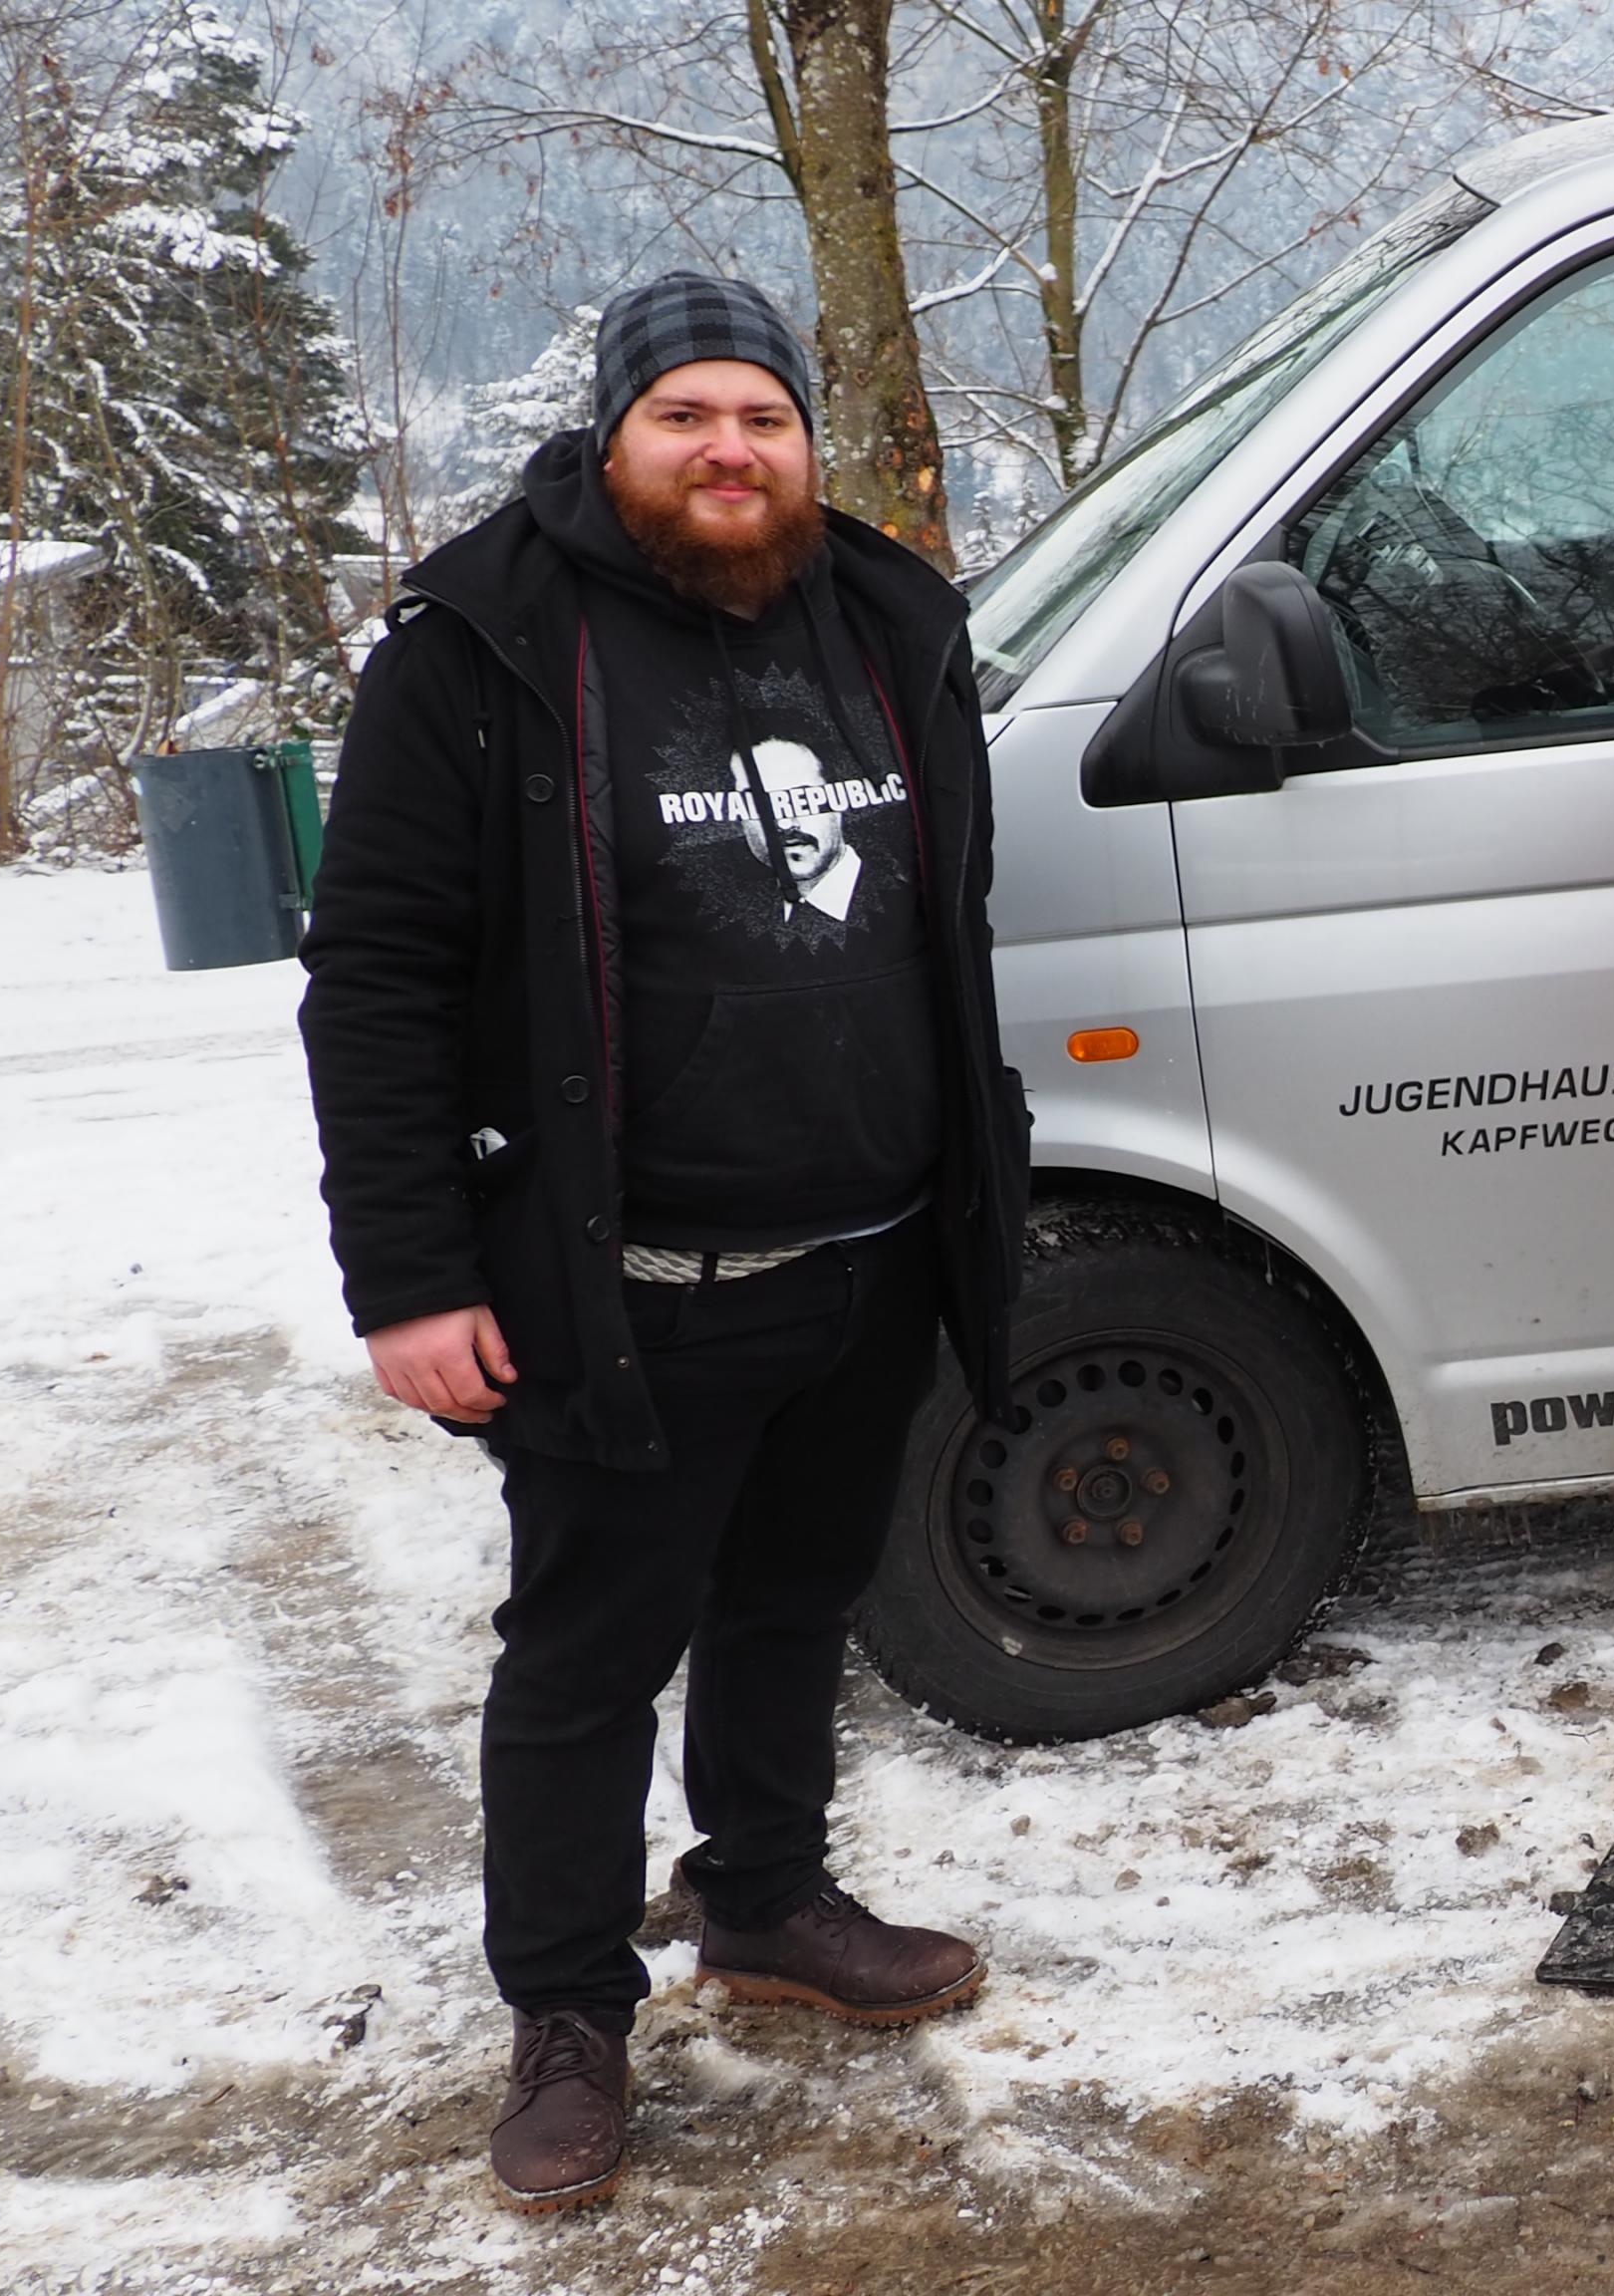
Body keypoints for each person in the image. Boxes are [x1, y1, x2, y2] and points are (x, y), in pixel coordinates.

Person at [299, 272, 1031, 2209]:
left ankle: (766, 1897)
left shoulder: (886, 621)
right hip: (627, 1288)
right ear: (613, 439)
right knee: (586, 1659)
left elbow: (941, 925)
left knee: (795, 1605)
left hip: (869, 1251)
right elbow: (375, 977)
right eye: (685, 416)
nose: (729, 450)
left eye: (763, 417)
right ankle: (565, 2010)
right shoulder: (483, 648)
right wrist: (410, 1272)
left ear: (806, 442)